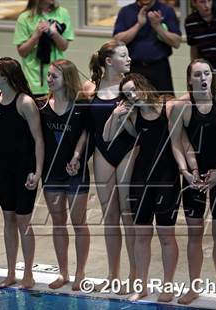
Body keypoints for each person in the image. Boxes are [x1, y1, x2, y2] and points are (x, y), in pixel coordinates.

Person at [103, 73, 180, 302]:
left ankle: (168, 286)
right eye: (127, 94)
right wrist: (115, 115)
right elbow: (107, 136)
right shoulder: (132, 116)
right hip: (141, 178)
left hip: (168, 178)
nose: (133, 96)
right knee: (141, 236)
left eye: (134, 90)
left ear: (143, 85)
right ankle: (142, 285)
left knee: (166, 235)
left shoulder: (169, 106)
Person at [169, 59, 216, 304]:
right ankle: (194, 286)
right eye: (197, 75)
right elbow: (175, 142)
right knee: (194, 234)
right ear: (189, 79)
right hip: (194, 178)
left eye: (206, 73)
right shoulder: (182, 106)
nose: (203, 78)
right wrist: (185, 172)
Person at [0, 57, 44, 289]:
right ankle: (11, 273)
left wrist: (37, 172)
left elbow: (38, 140)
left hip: (24, 168)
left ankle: (28, 273)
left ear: (7, 77)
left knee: (23, 221)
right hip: (3, 167)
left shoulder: (25, 102)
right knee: (8, 219)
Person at [88, 40, 137, 293]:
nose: (129, 59)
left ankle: (133, 275)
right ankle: (112, 274)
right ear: (109, 61)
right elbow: (86, 127)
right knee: (110, 218)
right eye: (123, 55)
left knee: (128, 216)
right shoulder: (92, 87)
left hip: (128, 149)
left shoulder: (131, 86)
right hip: (101, 152)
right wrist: (77, 154)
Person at [38, 59, 92, 291]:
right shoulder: (42, 106)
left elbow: (87, 133)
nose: (49, 79)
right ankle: (63, 273)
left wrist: (77, 157)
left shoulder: (81, 106)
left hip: (75, 172)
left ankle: (80, 272)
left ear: (66, 79)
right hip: (52, 173)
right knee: (58, 224)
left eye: (54, 76)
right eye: (49, 75)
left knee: (79, 223)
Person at [113, 0, 181, 95]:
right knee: (132, 104)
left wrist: (157, 26)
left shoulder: (166, 10)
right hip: (133, 68)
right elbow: (117, 41)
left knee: (165, 105)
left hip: (159, 68)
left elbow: (176, 42)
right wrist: (139, 24)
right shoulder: (126, 11)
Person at [14, 0, 74, 97]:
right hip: (34, 79)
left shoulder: (62, 13)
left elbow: (64, 46)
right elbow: (22, 52)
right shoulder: (25, 18)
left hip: (58, 78)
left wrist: (54, 33)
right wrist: (36, 35)